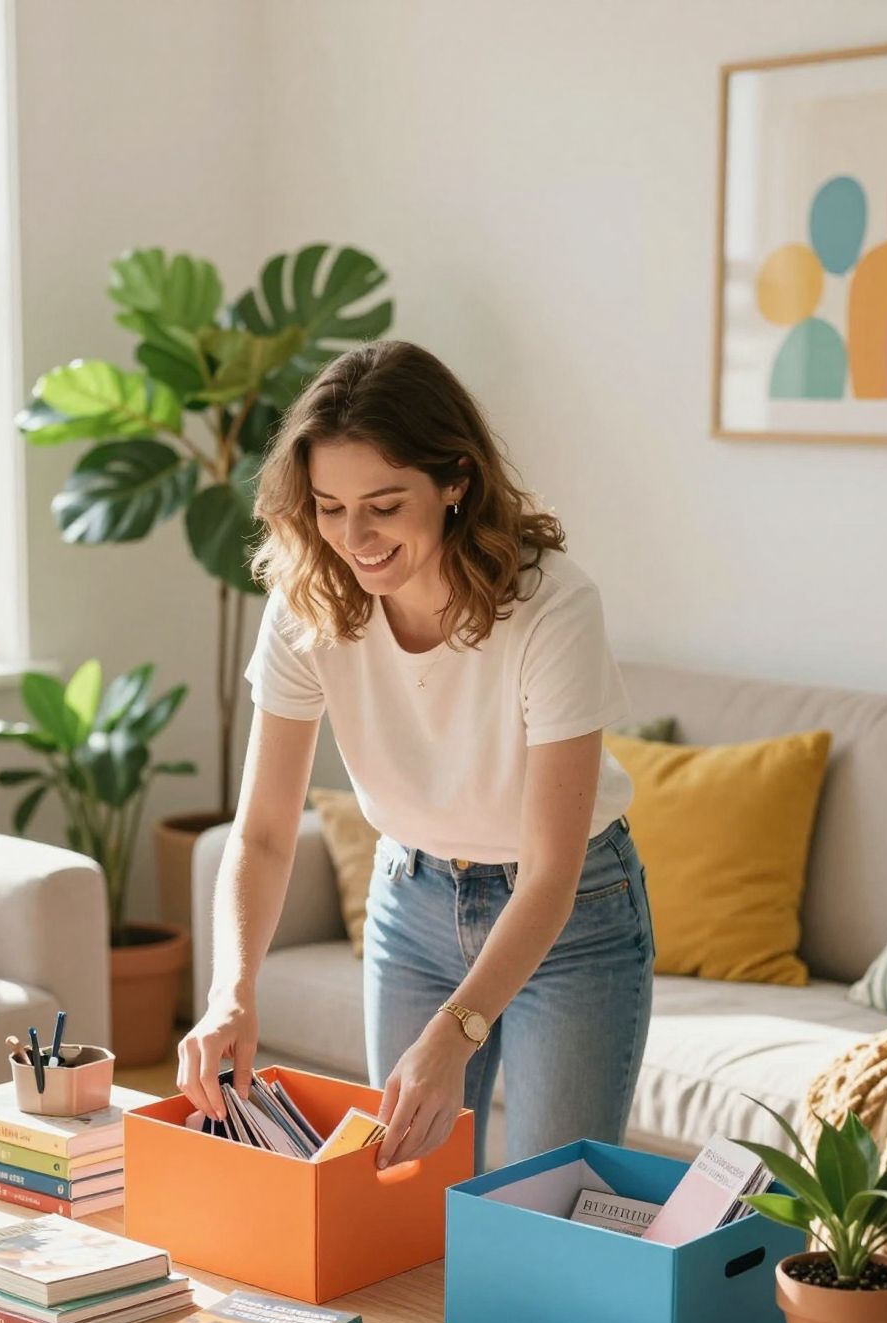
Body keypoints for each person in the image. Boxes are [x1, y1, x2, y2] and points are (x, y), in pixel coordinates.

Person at [178, 339, 654, 1174]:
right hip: (415, 901)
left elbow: (549, 872)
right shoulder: (305, 604)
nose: (353, 538)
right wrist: (232, 990)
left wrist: (455, 1033)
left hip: (572, 916)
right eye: (329, 506)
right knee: (404, 1196)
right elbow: (260, 834)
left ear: (455, 483)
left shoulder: (551, 609)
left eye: (384, 505)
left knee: (547, 1207)